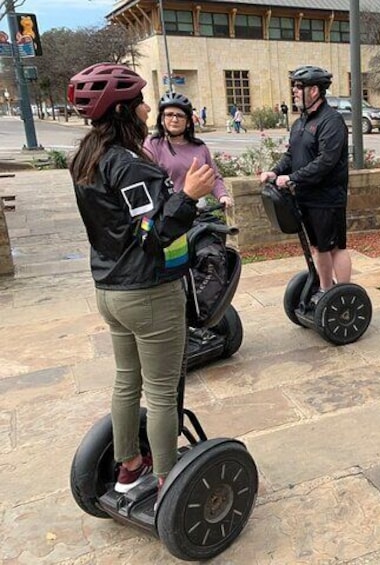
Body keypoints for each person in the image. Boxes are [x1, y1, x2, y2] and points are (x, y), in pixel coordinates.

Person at [67, 63, 215, 493]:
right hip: (147, 292)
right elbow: (151, 235)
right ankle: (170, 478)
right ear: (123, 111)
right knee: (163, 390)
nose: (149, 108)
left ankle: (129, 464)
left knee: (126, 380)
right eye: (140, 102)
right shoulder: (129, 166)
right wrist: (188, 197)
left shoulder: (86, 158)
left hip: (109, 290)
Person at [258, 66, 351, 304]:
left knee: (335, 247)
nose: (295, 91)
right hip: (306, 196)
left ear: (315, 91)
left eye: (299, 87)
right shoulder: (300, 122)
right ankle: (324, 290)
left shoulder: (331, 121)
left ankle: (344, 295)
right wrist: (276, 172)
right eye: (295, 86)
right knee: (317, 246)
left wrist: (292, 178)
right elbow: (292, 155)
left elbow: (326, 162)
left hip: (328, 198)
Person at [144, 91, 233, 208]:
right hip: (167, 210)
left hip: (197, 209)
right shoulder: (152, 145)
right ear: (162, 118)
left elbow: (214, 176)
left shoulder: (199, 147)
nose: (174, 119)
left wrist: (222, 196)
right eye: (169, 115)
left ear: (187, 122)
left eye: (180, 116)